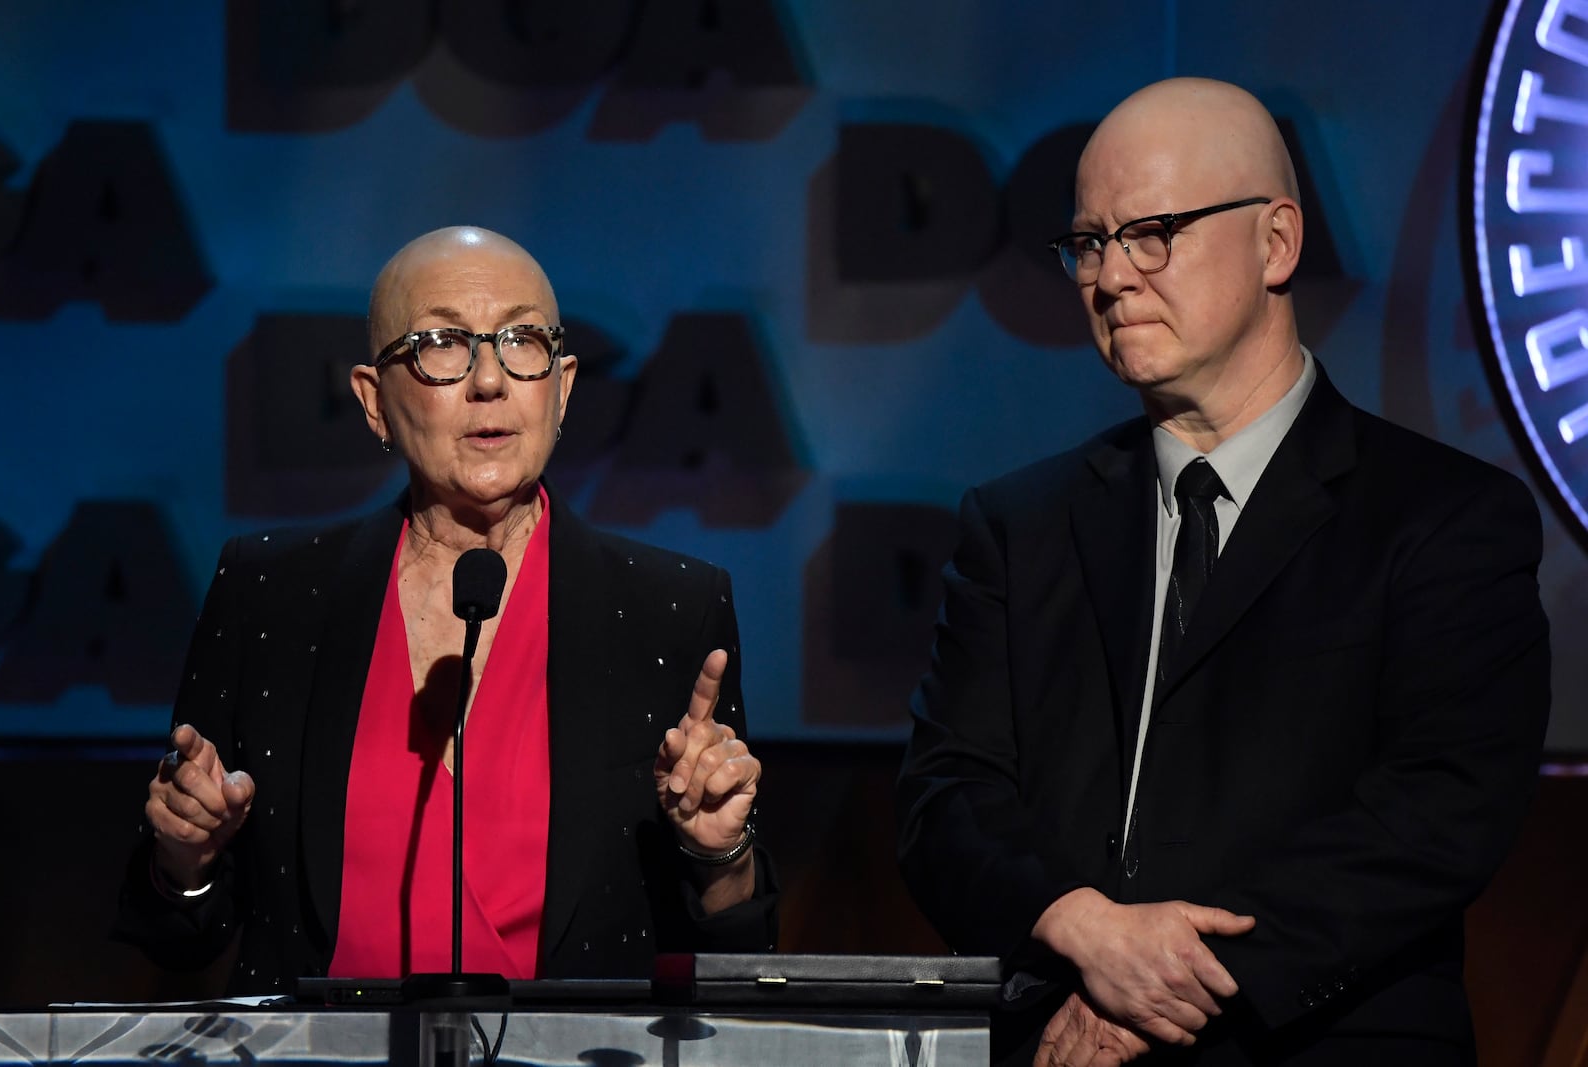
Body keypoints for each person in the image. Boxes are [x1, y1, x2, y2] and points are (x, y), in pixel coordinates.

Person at [895, 78, 1551, 1066]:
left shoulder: (1443, 517)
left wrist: (1158, 985)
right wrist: (1078, 924)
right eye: (1089, 241)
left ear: (1276, 242)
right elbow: (945, 798)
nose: (1110, 277)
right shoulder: (1018, 524)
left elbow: (1434, 812)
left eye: (1151, 231)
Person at [115, 226, 775, 994]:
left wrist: (718, 854)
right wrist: (185, 860)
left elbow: (741, 944)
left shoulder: (673, 608)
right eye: (441, 343)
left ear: (561, 388)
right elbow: (178, 935)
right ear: (373, 402)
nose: (489, 380)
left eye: (521, 340)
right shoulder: (270, 592)